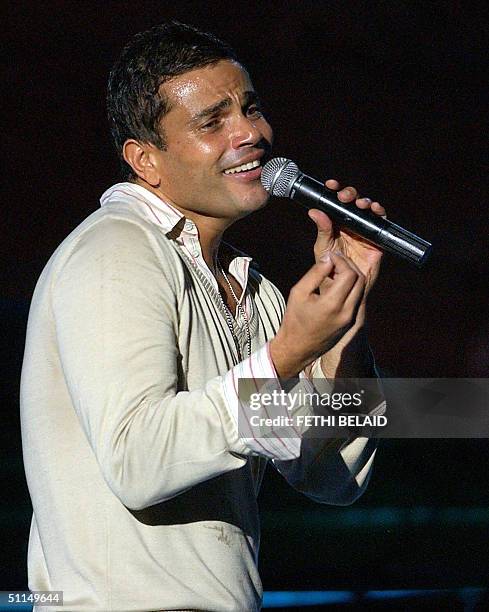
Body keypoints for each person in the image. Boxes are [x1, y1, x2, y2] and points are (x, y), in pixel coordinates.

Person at [20, 21, 386, 612]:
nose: (250, 133)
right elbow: (137, 460)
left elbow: (333, 478)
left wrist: (347, 327)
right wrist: (286, 354)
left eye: (250, 107)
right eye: (212, 122)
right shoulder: (116, 250)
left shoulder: (252, 288)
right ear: (145, 160)